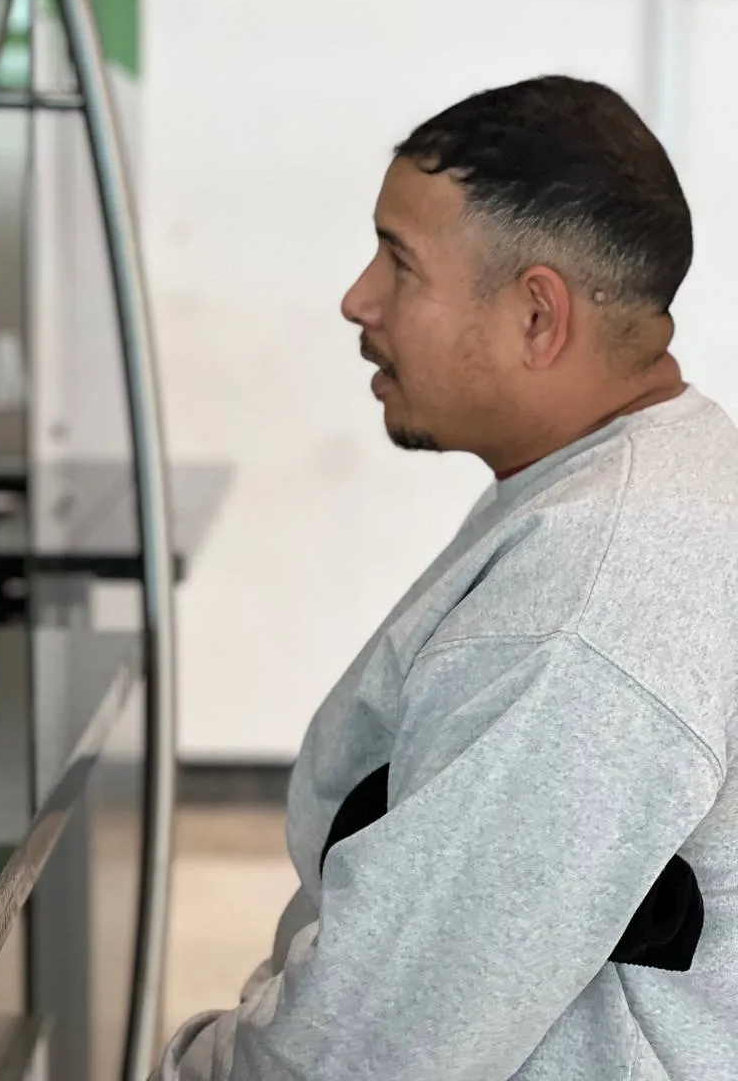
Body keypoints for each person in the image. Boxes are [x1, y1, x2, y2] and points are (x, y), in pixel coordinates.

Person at [151, 76, 738, 1080]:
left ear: (537, 316)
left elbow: (371, 1052)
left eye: (400, 262)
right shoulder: (628, 477)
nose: (358, 299)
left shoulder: (585, 613)